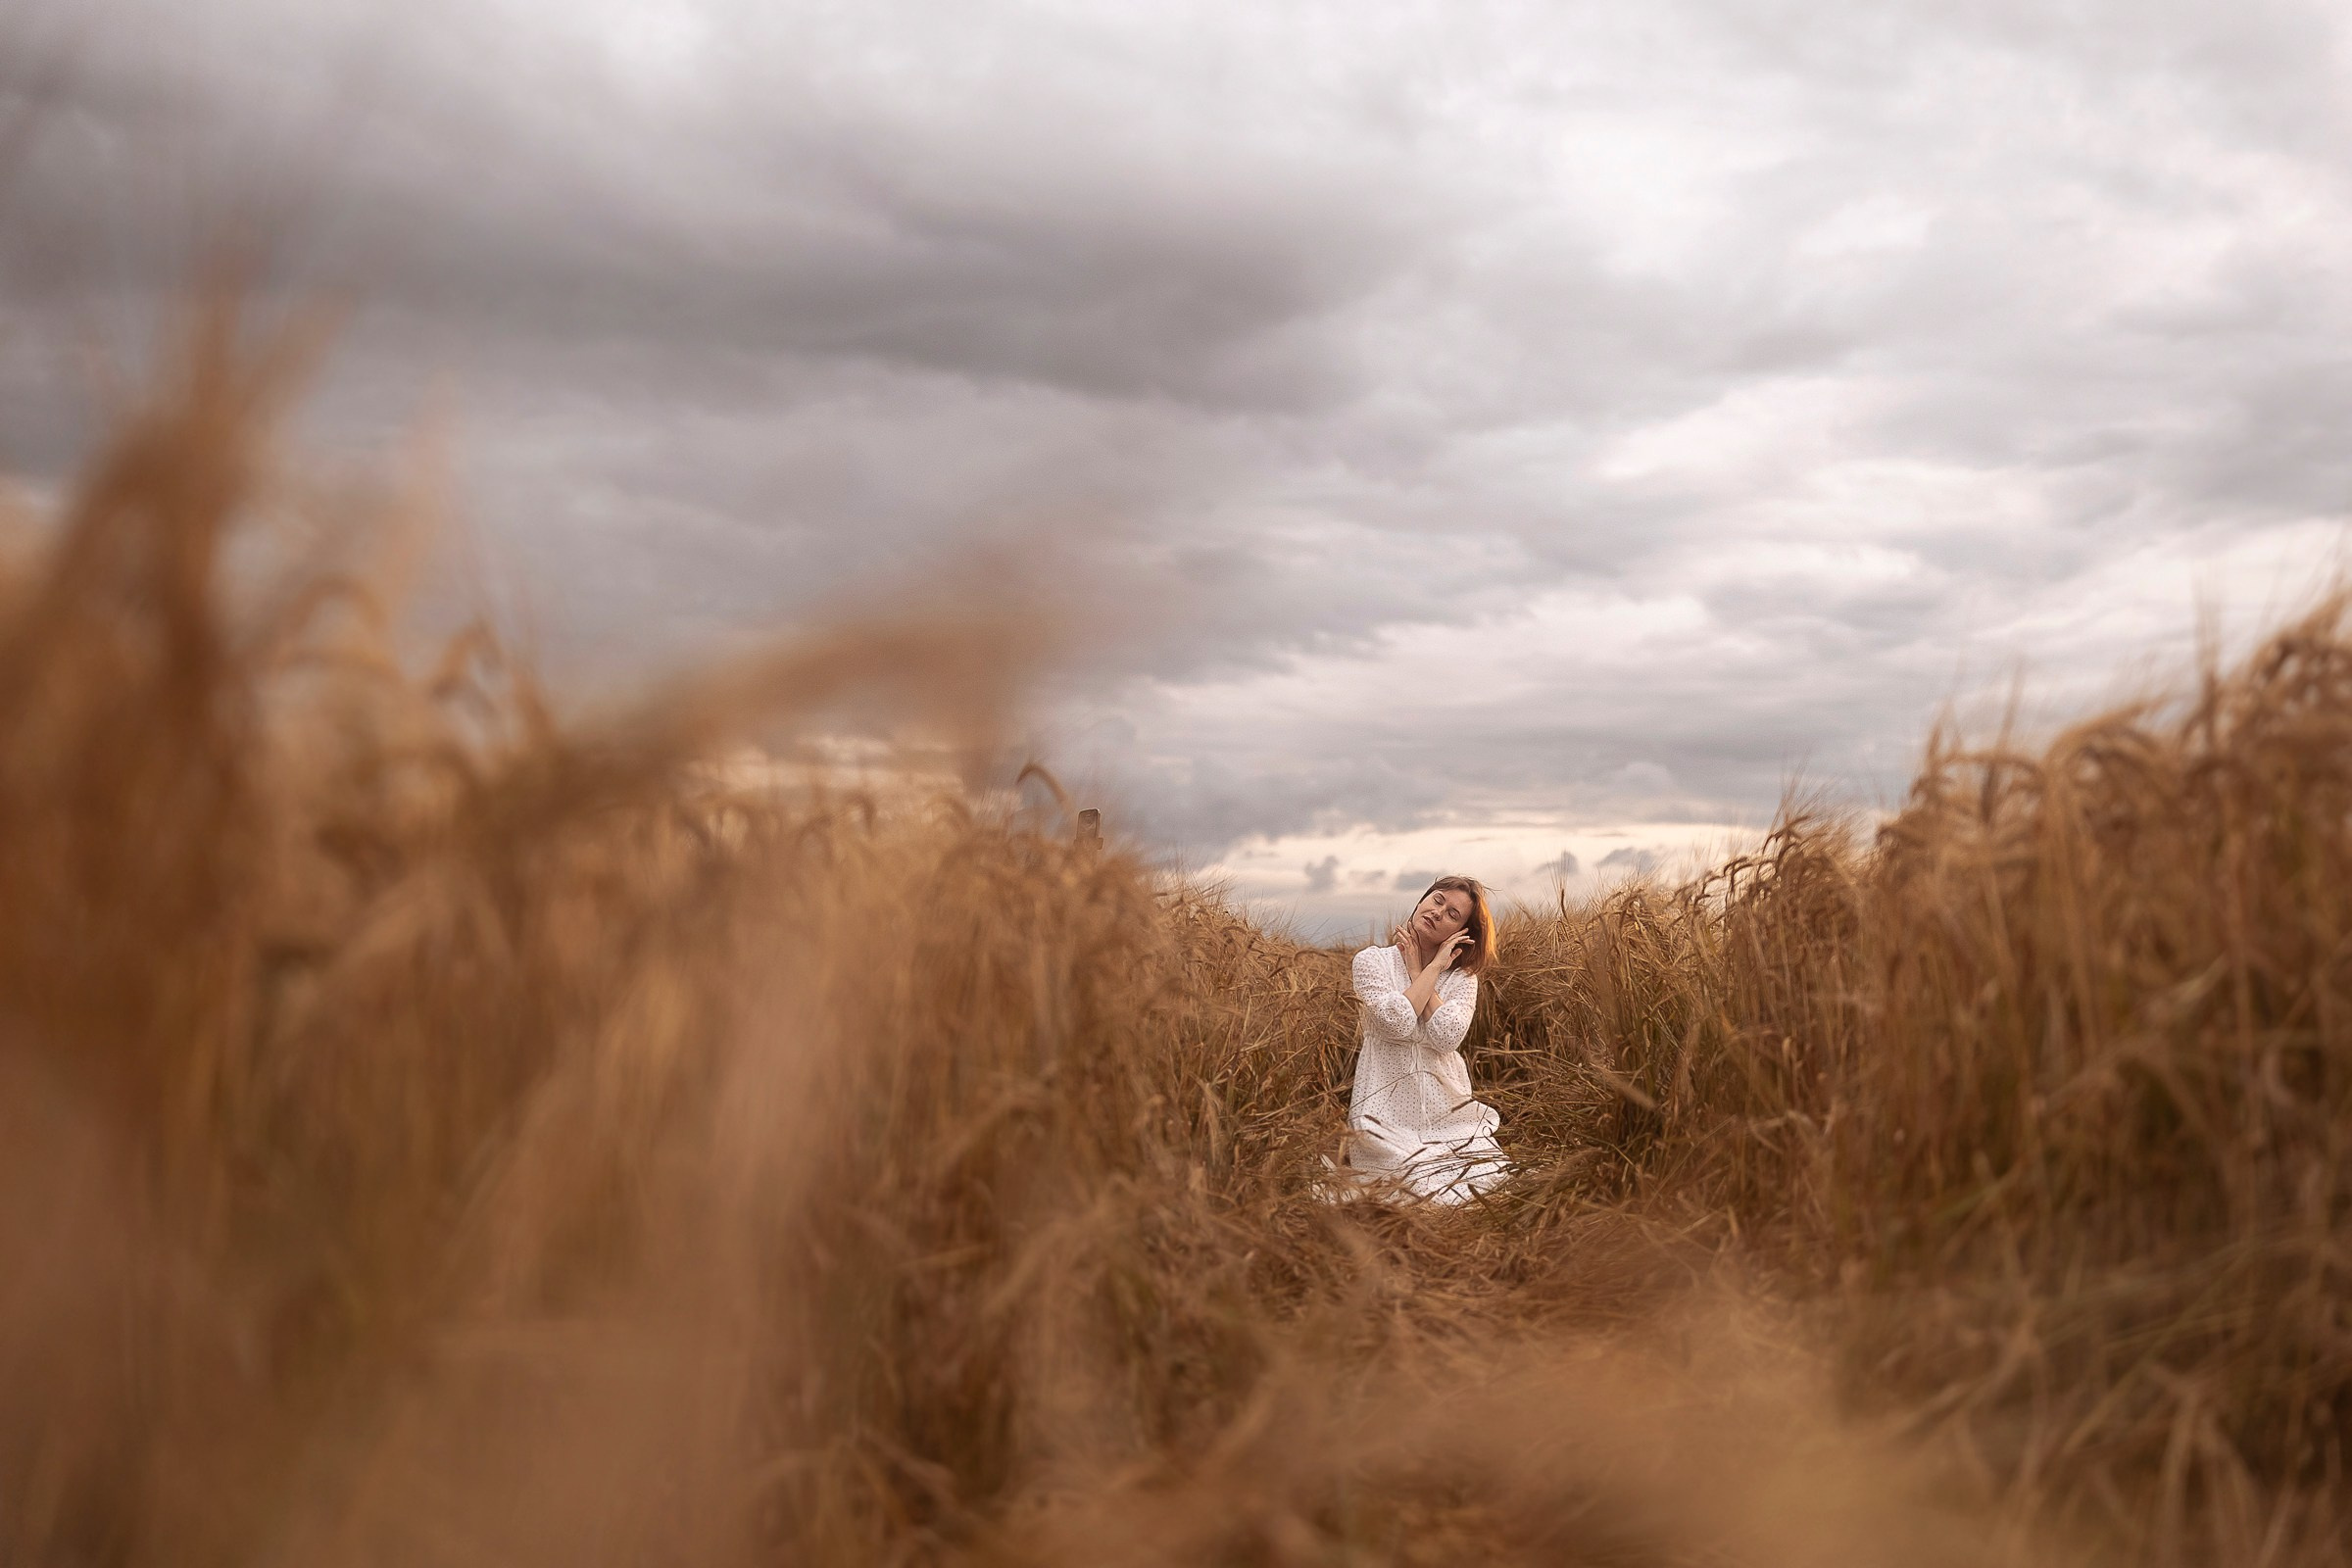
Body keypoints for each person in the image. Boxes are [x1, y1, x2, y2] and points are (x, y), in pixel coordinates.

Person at [1335, 874, 1509, 1205]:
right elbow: (1395, 1023)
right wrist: (1427, 973)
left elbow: (1446, 1038)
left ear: (1461, 934)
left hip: (1449, 1112)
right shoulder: (1372, 961)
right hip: (1382, 1113)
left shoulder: (1462, 978)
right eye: (1437, 899)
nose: (1437, 912)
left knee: (1485, 1178)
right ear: (1422, 899)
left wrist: (1421, 973)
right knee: (1412, 1185)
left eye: (1453, 914)